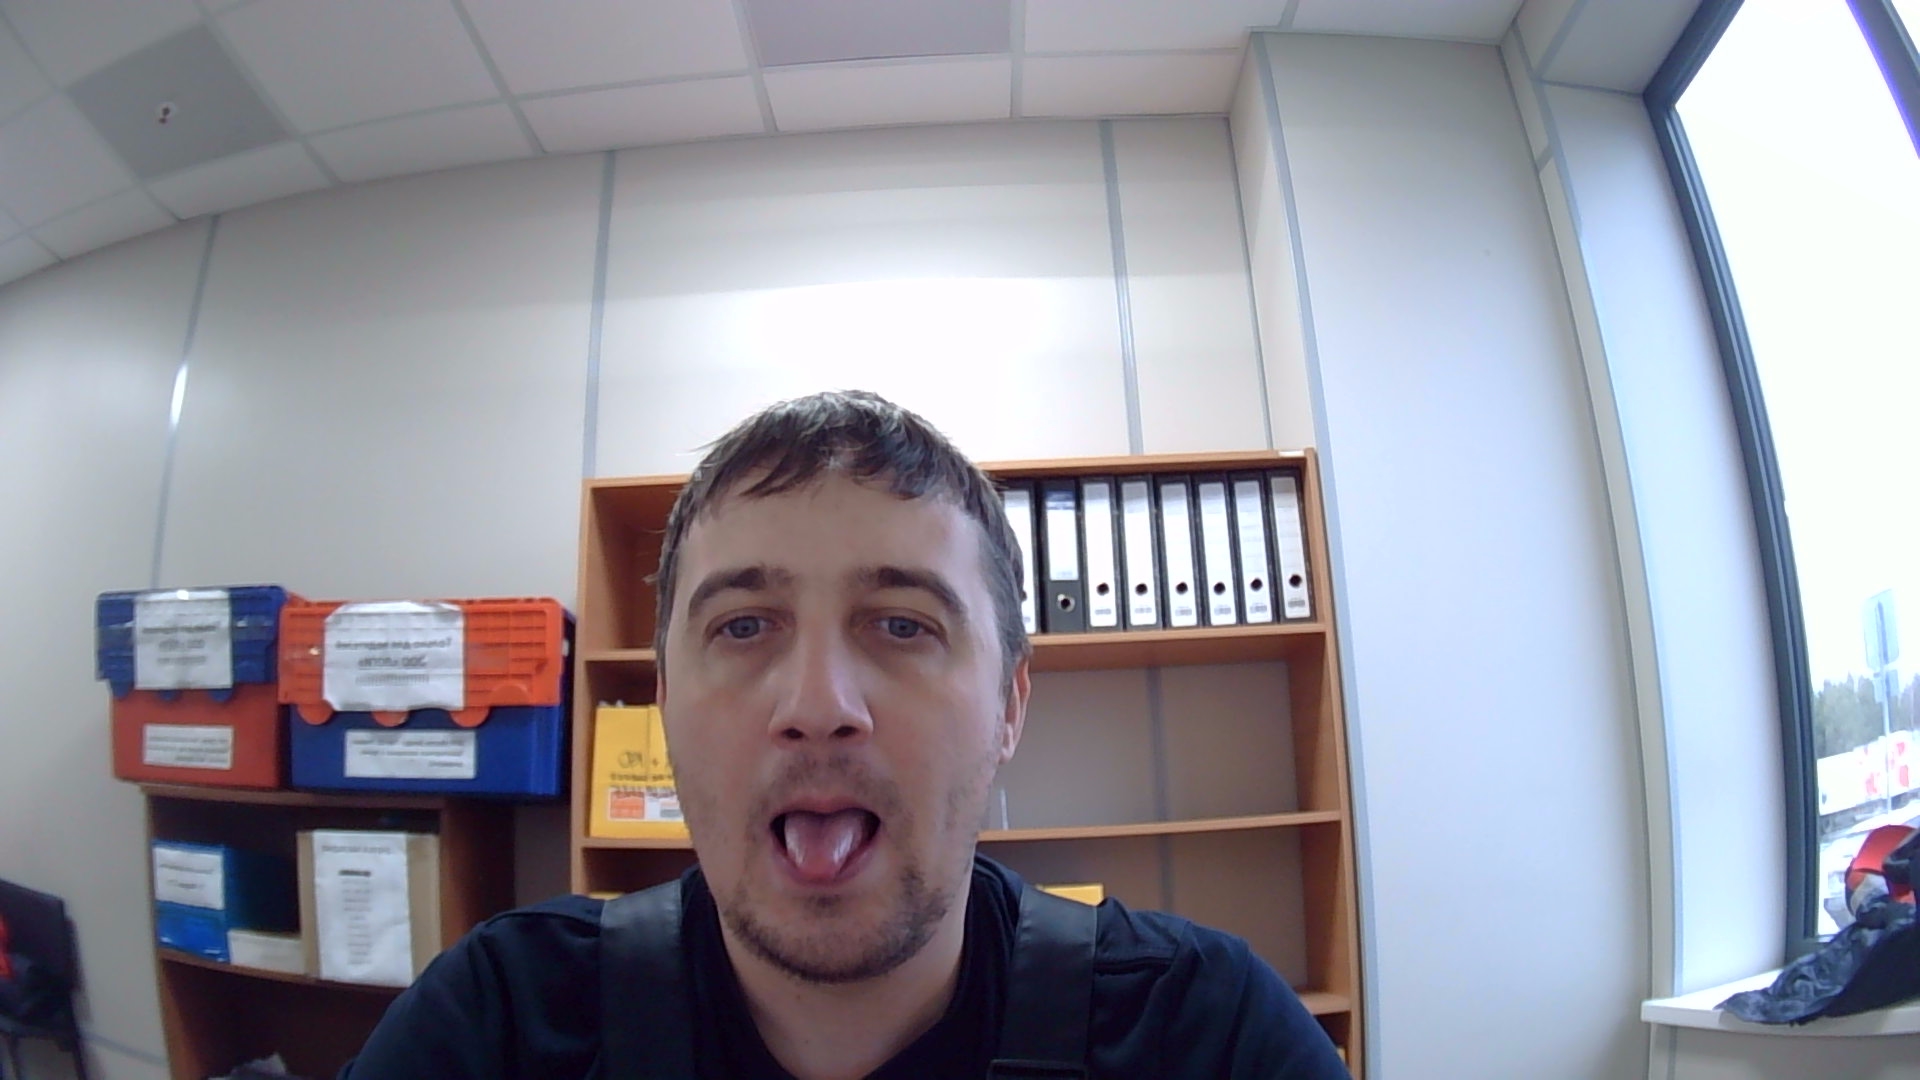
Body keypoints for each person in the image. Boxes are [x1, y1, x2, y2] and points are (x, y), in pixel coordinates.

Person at [341, 391, 1351, 1080]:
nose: (818, 704)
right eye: (744, 627)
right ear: (663, 700)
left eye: (902, 625)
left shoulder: (1207, 1032)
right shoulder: (499, 1024)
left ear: (1010, 705)